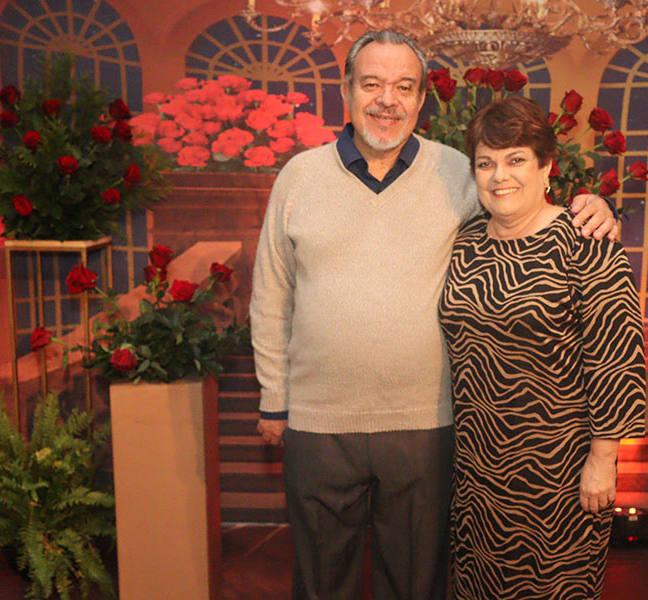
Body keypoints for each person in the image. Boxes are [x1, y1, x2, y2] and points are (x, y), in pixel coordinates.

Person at [250, 30, 618, 600]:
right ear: (346, 90)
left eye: (404, 86)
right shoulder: (299, 177)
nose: (387, 100)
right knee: (320, 582)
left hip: (427, 424)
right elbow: (272, 293)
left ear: (422, 99)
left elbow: (520, 200)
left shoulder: (456, 173)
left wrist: (592, 205)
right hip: (319, 423)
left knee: (416, 582)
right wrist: (275, 398)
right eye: (371, 84)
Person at [439, 95, 646, 600]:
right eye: (485, 163)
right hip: (477, 469)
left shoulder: (587, 241)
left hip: (558, 471)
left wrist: (603, 460)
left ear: (546, 166)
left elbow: (617, 360)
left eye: (515, 160)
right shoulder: (465, 241)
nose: (499, 176)